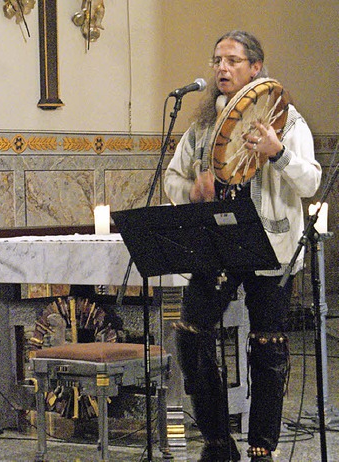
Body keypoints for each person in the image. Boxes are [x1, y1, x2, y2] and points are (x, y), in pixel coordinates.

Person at [164, 31, 321, 461]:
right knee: (191, 336)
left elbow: (311, 181)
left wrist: (277, 152)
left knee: (268, 345)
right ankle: (217, 442)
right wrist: (191, 192)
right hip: (215, 244)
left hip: (270, 245)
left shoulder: (287, 120)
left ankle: (262, 446)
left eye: (233, 60)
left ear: (255, 67)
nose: (222, 68)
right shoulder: (200, 129)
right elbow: (172, 179)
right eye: (217, 60)